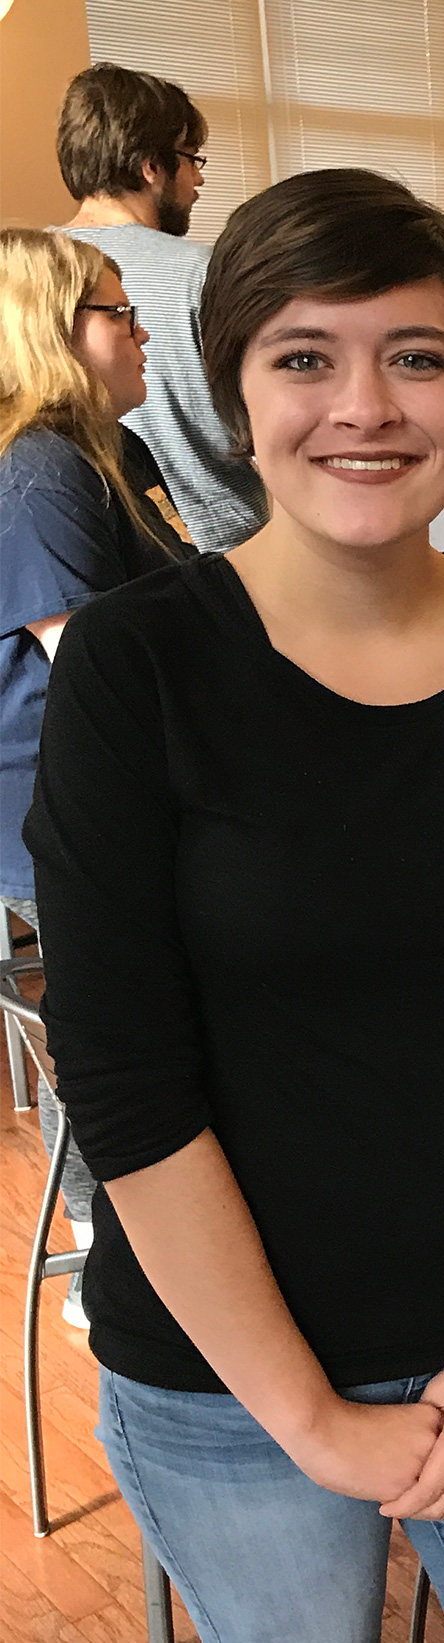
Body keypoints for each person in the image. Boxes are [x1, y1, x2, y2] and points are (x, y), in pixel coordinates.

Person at [26, 169, 444, 1643]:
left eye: (417, 357)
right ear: (233, 386)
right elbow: (127, 1082)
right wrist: (310, 1417)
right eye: (306, 357)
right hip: (232, 1375)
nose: (363, 407)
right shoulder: (142, 670)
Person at [0, 228, 191, 1327]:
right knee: (116, 1030)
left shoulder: (114, 454)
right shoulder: (38, 471)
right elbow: (102, 677)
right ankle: (103, 1249)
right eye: (119, 313)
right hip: (58, 821)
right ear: (56, 333)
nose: (143, 328)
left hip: (116, 802)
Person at [59, 62, 267, 550]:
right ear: (150, 166)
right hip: (229, 555)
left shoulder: (25, 276)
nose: (197, 178)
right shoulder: (209, 272)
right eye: (191, 158)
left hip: (97, 550)